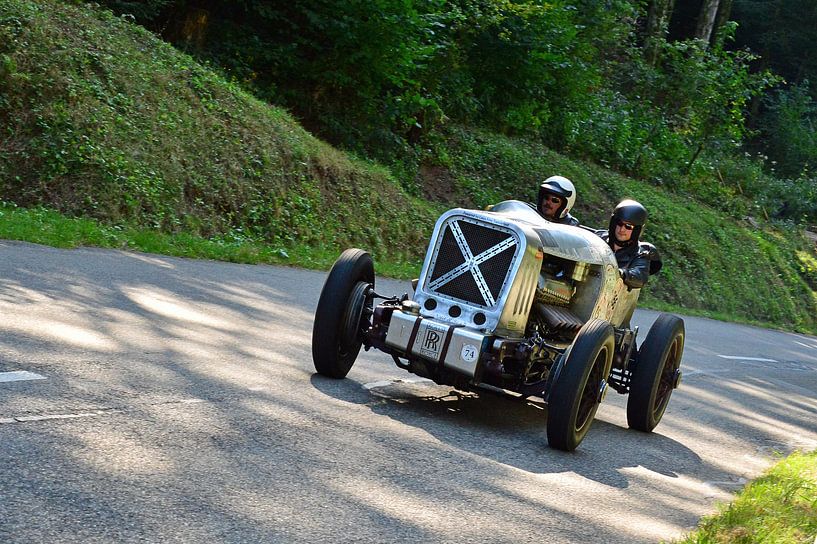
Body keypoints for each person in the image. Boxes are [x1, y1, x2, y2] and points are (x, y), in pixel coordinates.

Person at [598, 199, 662, 289]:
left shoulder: (641, 253)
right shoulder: (598, 238)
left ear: (637, 230)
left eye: (628, 226)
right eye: (619, 223)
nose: (622, 229)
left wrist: (620, 273)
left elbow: (640, 276)